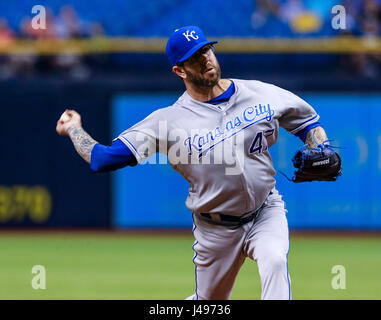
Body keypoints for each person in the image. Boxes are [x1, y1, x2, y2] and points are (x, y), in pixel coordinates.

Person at [56, 26, 334, 300]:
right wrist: (74, 129)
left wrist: (319, 144)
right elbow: (102, 159)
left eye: (207, 50)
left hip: (265, 210)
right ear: (179, 70)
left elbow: (309, 123)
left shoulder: (260, 93)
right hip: (216, 229)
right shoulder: (166, 121)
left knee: (274, 259)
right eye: (195, 57)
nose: (206, 59)